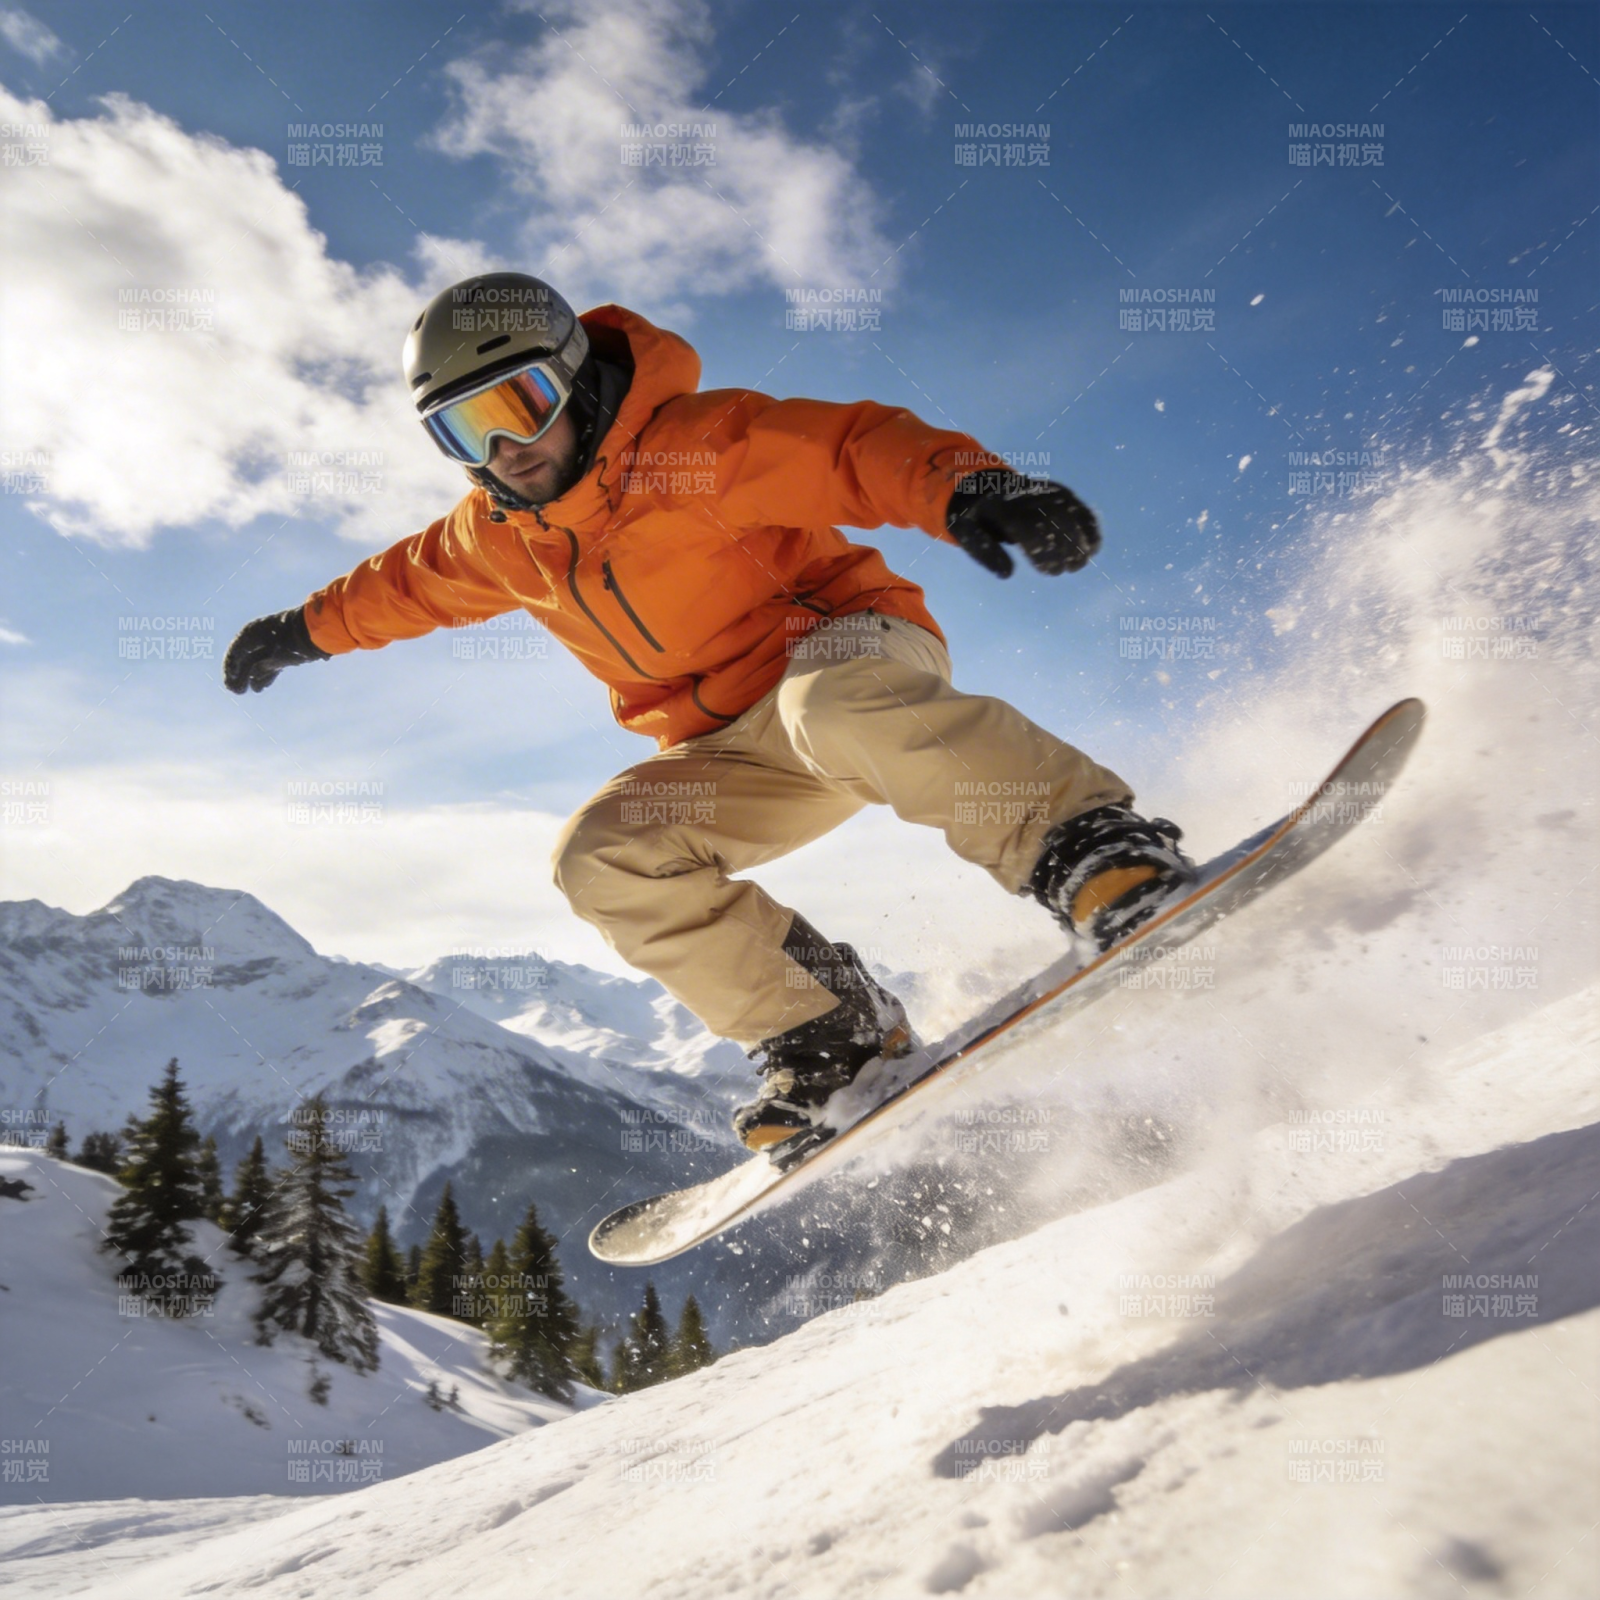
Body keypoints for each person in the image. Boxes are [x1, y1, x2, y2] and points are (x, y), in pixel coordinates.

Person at [225, 273, 1194, 1152]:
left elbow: (850, 452)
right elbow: (403, 587)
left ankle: (1089, 845)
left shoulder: (692, 449)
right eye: (463, 432)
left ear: (572, 379)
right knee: (599, 856)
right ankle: (831, 1030)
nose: (505, 451)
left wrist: (971, 486)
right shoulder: (496, 538)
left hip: (847, 652)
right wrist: (299, 630)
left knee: (834, 707)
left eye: (517, 406)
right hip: (730, 749)